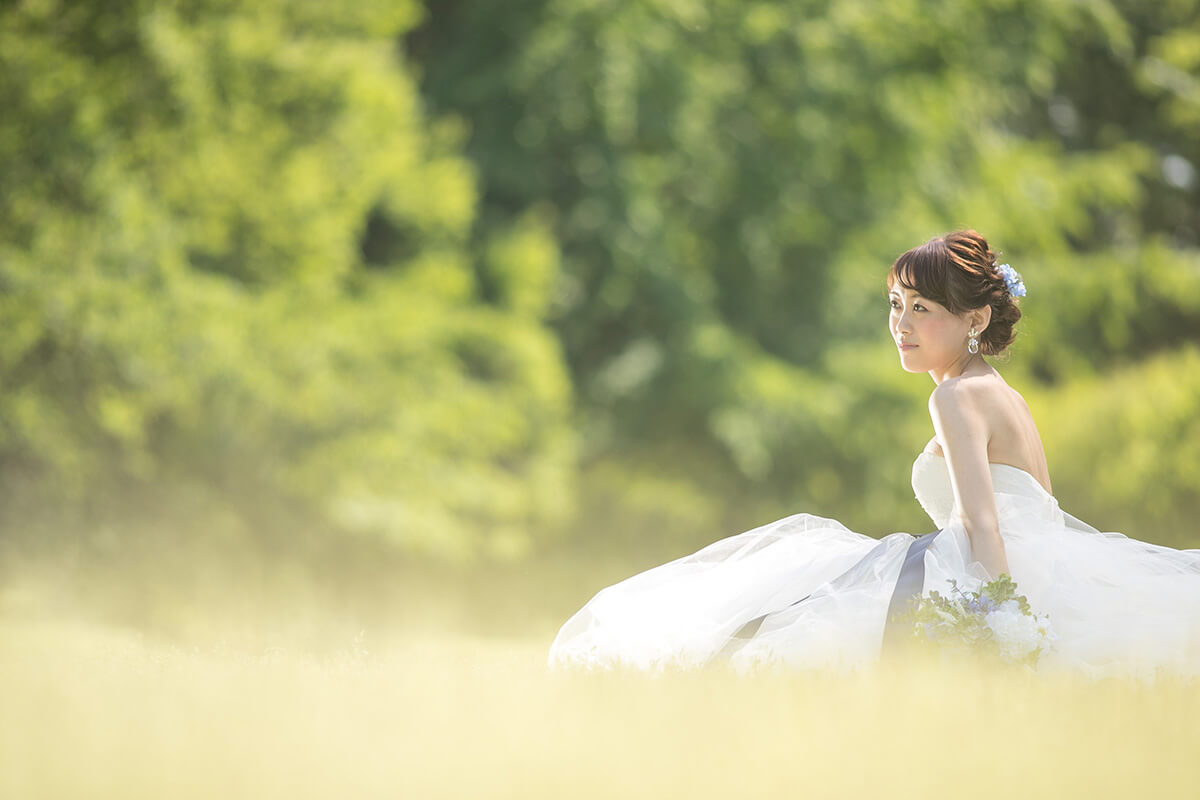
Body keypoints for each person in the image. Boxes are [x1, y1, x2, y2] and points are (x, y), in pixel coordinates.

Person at [548, 230, 1200, 678]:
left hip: (983, 568)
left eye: (924, 309)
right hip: (1031, 561)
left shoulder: (953, 400)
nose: (902, 325)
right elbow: (1039, 509)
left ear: (975, 320)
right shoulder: (1003, 393)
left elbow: (982, 522)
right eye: (896, 305)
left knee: (807, 591)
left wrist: (1001, 610)